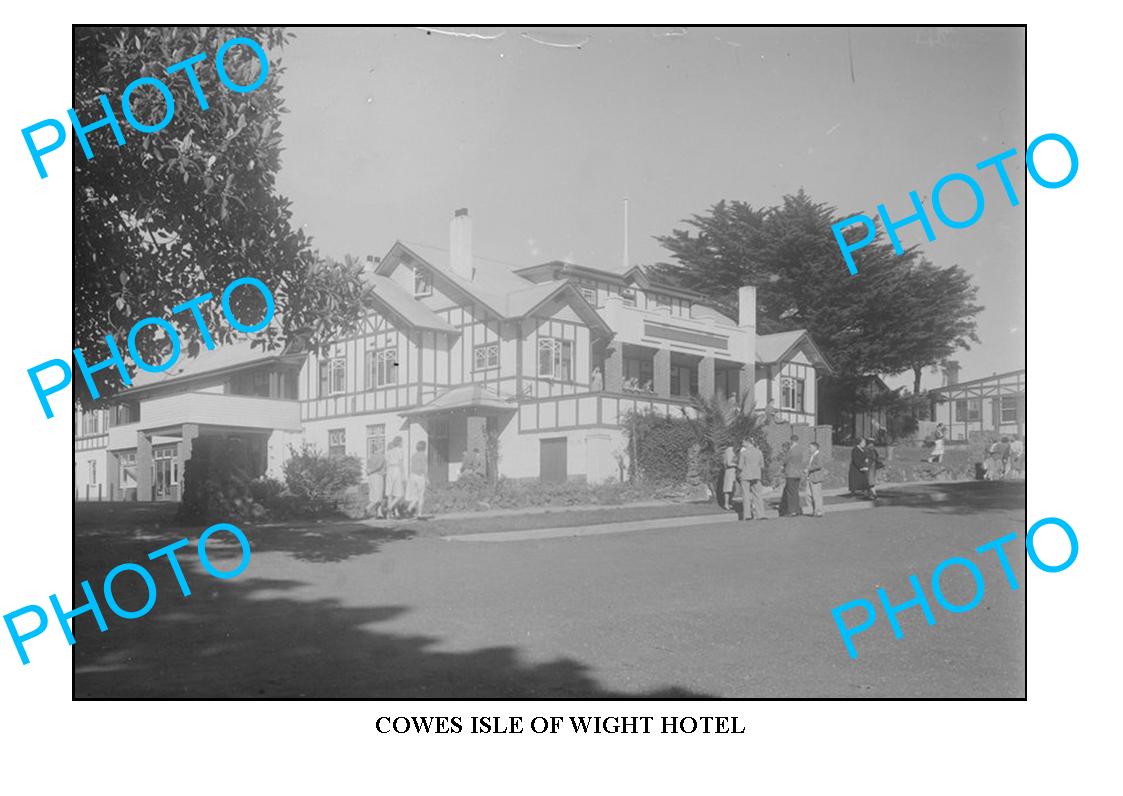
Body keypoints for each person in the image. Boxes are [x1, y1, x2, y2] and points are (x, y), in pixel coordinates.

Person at [738, 438, 766, 521]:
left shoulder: (744, 453)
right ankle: (761, 514)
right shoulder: (759, 452)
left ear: (747, 442)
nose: (742, 443)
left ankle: (747, 515)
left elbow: (740, 466)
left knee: (746, 495)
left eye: (743, 442)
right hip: (756, 475)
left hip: (746, 475)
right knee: (758, 495)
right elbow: (762, 465)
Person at [780, 434, 806, 517]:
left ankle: (792, 511)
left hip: (791, 473)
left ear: (791, 441)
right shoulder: (800, 450)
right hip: (798, 473)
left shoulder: (792, 450)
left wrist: (782, 466)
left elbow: (785, 460)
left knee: (790, 493)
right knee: (795, 492)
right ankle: (797, 509)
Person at [405, 440, 429, 518]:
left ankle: (409, 508)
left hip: (412, 476)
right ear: (424, 447)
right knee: (421, 495)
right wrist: (427, 478)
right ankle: (419, 514)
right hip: (420, 476)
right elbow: (425, 467)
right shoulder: (424, 455)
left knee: (414, 496)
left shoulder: (414, 455)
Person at [385, 436, 406, 518]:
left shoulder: (389, 451)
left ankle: (388, 515)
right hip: (396, 470)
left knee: (390, 493)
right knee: (400, 494)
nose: (402, 443)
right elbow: (400, 463)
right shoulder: (400, 450)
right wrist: (403, 475)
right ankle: (389, 507)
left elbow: (387, 463)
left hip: (389, 471)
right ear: (399, 442)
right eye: (402, 442)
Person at [805, 441, 825, 517]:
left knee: (817, 495)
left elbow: (819, 465)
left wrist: (809, 469)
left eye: (810, 447)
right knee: (808, 495)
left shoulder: (818, 455)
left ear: (815, 447)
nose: (809, 449)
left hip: (816, 478)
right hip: (810, 477)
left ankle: (819, 511)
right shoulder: (812, 455)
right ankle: (814, 510)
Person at [366, 445, 387, 519]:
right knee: (378, 497)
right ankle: (368, 508)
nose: (383, 449)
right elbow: (379, 466)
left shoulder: (370, 457)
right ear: (378, 449)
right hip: (378, 476)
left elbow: (367, 468)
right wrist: (372, 471)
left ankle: (379, 513)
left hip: (370, 477)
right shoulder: (381, 456)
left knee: (373, 495)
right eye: (381, 447)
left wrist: (369, 472)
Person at [721, 444, 737, 510]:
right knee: (728, 488)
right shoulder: (729, 450)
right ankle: (726, 504)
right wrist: (737, 464)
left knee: (731, 488)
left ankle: (729, 502)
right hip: (730, 471)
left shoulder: (731, 450)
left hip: (733, 471)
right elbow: (729, 463)